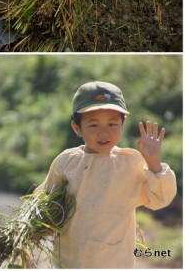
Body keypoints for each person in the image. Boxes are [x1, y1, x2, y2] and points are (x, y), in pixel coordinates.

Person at [35, 81, 177, 268]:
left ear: (122, 124)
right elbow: (44, 202)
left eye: (112, 124)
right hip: (69, 261)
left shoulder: (130, 163)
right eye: (94, 125)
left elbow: (160, 198)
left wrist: (154, 163)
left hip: (113, 262)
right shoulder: (66, 162)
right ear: (77, 128)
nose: (104, 132)